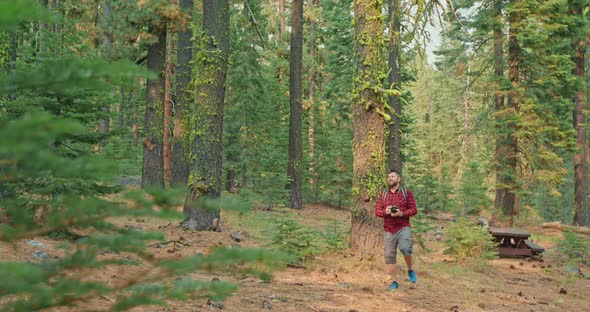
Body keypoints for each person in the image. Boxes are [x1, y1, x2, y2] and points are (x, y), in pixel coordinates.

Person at [374, 168, 418, 290]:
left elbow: (414, 210)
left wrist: (401, 213)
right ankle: (394, 282)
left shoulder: (406, 193)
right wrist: (386, 211)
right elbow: (377, 211)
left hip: (403, 226)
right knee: (389, 255)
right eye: (388, 177)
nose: (390, 178)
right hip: (388, 228)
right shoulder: (383, 194)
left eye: (392, 176)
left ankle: (410, 269)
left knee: (405, 248)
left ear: (399, 179)